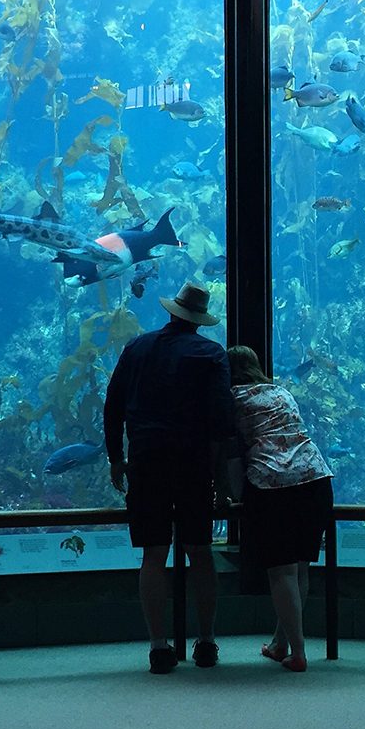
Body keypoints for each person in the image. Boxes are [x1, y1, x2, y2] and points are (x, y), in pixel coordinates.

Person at [104, 282, 234, 674]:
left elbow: (112, 406)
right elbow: (221, 422)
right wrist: (223, 480)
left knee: (153, 555)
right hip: (193, 465)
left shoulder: (137, 348)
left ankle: (159, 646)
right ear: (198, 320)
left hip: (146, 461)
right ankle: (207, 641)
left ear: (172, 312)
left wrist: (116, 458)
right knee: (199, 551)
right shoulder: (211, 354)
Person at [226, 345, 333, 673]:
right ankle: (280, 644)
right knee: (300, 568)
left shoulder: (232, 399)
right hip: (316, 478)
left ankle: (298, 653)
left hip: (274, 484)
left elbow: (231, 454)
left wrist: (235, 494)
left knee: (282, 572)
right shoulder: (281, 392)